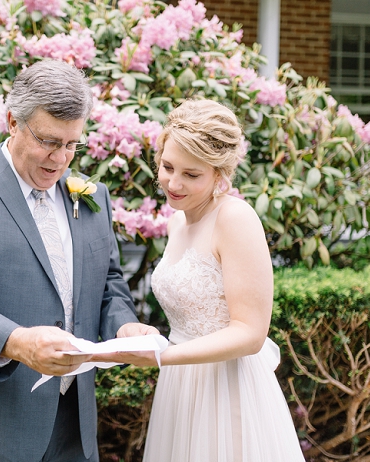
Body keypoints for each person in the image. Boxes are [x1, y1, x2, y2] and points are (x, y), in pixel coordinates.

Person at [0, 59, 156, 461]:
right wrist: (20, 343)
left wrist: (125, 325)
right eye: (48, 141)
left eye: (71, 144)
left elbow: (108, 284)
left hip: (73, 427)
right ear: (13, 121)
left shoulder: (92, 196)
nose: (60, 159)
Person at [99, 100, 304, 461]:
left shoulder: (235, 219)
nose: (173, 183)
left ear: (219, 173)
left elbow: (250, 333)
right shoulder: (178, 220)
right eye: (167, 167)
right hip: (179, 387)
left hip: (227, 389)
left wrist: (166, 357)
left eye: (191, 175)